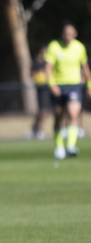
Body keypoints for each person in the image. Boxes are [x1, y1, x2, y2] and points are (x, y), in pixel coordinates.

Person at [44, 21, 91, 159]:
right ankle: (59, 147)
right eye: (65, 34)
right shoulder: (54, 46)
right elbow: (48, 68)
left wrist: (89, 86)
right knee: (58, 116)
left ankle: (70, 146)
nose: (68, 36)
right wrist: (52, 84)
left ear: (75, 34)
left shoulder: (79, 48)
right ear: (62, 34)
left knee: (73, 114)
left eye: (70, 34)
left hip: (74, 85)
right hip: (58, 86)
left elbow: (85, 68)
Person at [30, 46, 51, 140]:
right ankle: (38, 129)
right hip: (41, 88)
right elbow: (31, 75)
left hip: (50, 87)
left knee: (49, 110)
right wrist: (40, 72)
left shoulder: (48, 63)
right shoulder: (36, 63)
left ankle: (36, 127)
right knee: (43, 110)